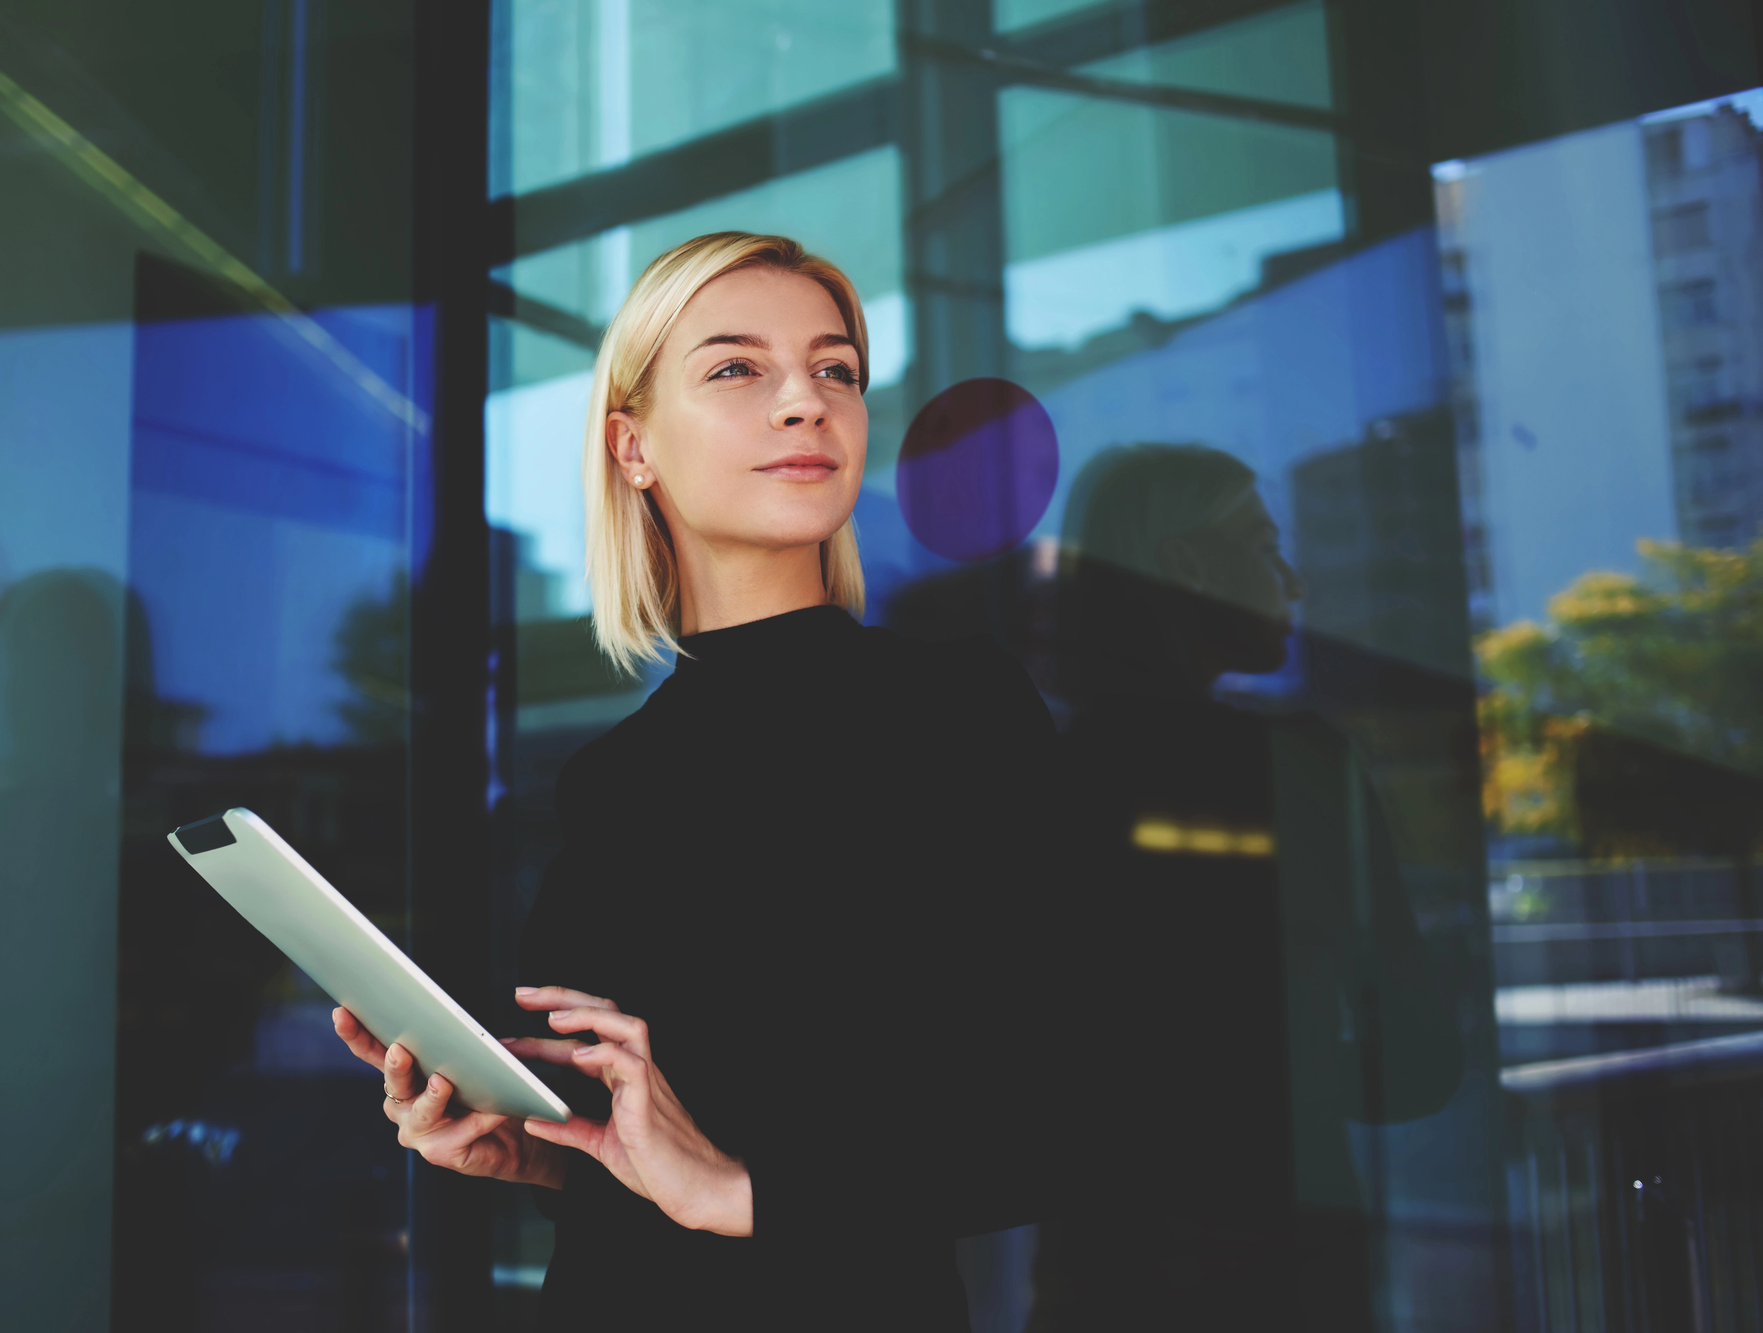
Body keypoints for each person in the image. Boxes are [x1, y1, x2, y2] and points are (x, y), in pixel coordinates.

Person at [332, 233, 1063, 1329]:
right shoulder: (611, 776)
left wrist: (739, 1190)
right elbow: (652, 1159)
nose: (803, 403)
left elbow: (1067, 1105)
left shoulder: (954, 705)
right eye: (736, 368)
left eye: (835, 370)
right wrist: (534, 1154)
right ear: (632, 447)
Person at [1030, 444, 1464, 1332]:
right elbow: (1419, 1063)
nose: (1295, 581)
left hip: (1100, 1283)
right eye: (1266, 546)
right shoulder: (1302, 771)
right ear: (1188, 565)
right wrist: (1284, 1075)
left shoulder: (1046, 783)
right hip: (1289, 1276)